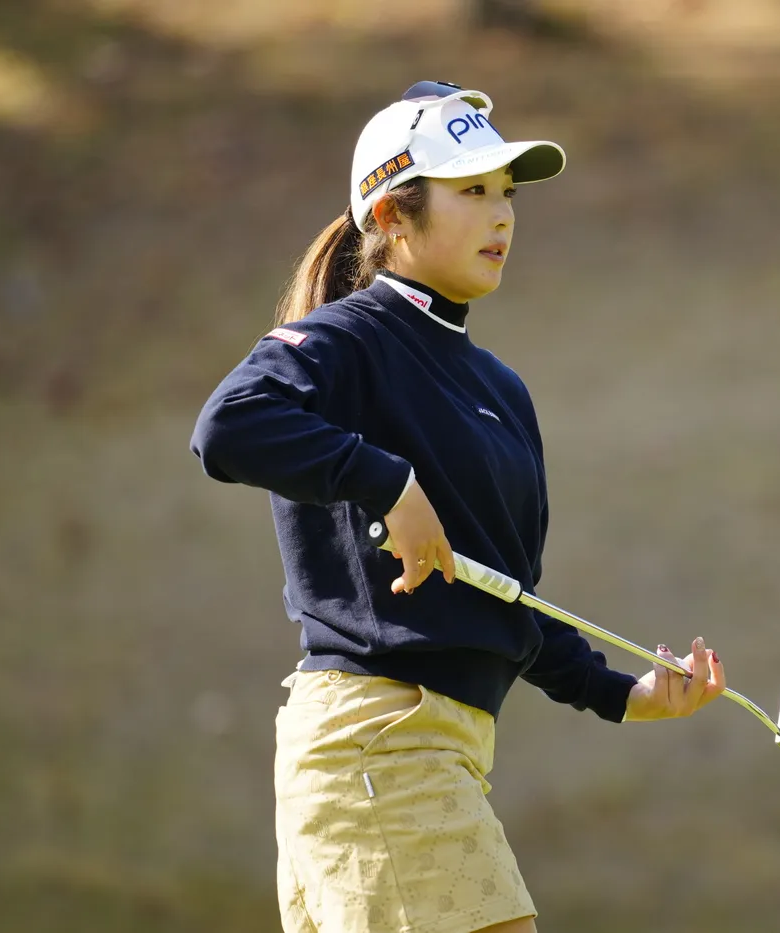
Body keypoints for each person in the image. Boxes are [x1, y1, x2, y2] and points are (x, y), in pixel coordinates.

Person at [189, 81, 726, 933]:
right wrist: (388, 482)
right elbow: (227, 427)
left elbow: (505, 595)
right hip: (380, 741)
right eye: (471, 190)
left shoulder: (500, 391)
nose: (501, 214)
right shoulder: (346, 338)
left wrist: (625, 694)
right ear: (392, 215)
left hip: (435, 752)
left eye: (506, 192)